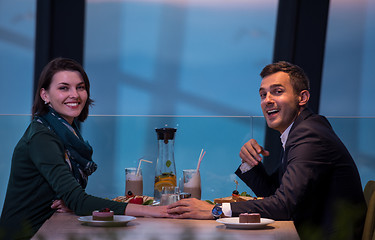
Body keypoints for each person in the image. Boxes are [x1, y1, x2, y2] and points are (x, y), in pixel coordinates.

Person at [166, 61, 367, 239]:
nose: (267, 100)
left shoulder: (309, 134)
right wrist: (249, 164)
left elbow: (284, 205)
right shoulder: (300, 130)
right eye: (263, 94)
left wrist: (216, 210)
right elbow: (276, 193)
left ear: (302, 97)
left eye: (277, 92)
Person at [0, 58, 168, 239]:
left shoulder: (66, 133)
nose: (75, 95)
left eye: (80, 87)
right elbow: (79, 200)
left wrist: (71, 201)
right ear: (45, 95)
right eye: (64, 88)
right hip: (25, 235)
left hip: (50, 228)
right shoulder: (42, 138)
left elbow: (73, 198)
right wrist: (155, 211)